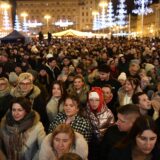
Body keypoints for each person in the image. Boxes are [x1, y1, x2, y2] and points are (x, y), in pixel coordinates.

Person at [84, 87, 114, 160]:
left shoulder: (108, 114)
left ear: (101, 100)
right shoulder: (85, 112)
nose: (94, 103)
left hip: (104, 145)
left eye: (97, 100)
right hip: (90, 145)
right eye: (91, 100)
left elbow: (112, 131)